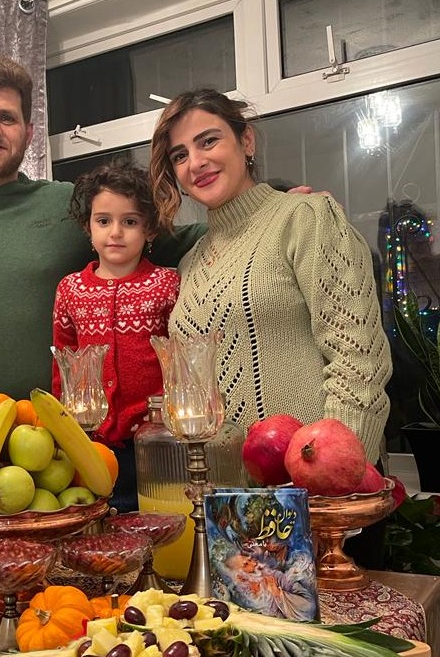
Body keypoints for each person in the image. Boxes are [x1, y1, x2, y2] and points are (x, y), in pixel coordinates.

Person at [0, 55, 204, 481]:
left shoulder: (69, 205)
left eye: (7, 117)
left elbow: (172, 239)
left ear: (29, 133)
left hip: (59, 445)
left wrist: (268, 203)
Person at [149, 89, 393, 566]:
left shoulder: (304, 216)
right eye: (180, 155)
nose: (195, 162)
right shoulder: (192, 262)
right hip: (237, 514)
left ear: (247, 141)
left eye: (208, 141)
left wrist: (331, 494)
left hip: (320, 508)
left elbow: (357, 356)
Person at [51, 159, 179, 512]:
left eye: (130, 222)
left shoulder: (167, 285)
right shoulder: (70, 289)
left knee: (160, 525)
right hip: (93, 442)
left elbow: (181, 360)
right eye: (104, 221)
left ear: (150, 230)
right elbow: (62, 365)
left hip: (156, 442)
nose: (116, 232)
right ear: (88, 227)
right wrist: (62, 433)